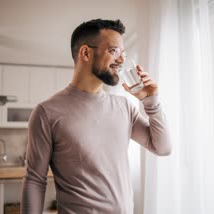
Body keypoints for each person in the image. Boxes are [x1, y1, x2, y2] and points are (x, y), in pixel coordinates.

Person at [21, 18, 171, 214]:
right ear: (85, 52)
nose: (122, 60)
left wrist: (151, 101)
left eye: (123, 53)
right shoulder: (47, 112)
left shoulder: (124, 106)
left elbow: (163, 148)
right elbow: (34, 180)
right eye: (113, 51)